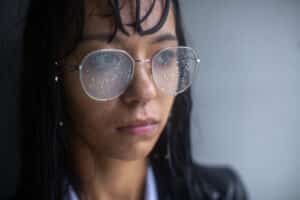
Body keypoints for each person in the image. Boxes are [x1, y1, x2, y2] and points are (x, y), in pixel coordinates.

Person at [15, 0, 248, 199]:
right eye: (105, 61)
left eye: (165, 55)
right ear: (53, 74)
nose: (145, 91)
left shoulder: (220, 193)